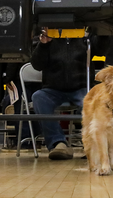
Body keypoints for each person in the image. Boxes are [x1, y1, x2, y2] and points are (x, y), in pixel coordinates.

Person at [30, 28, 89, 160]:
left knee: (93, 99)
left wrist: (101, 33)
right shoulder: (45, 31)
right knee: (39, 97)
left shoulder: (85, 33)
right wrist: (44, 44)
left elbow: (102, 50)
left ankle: (92, 145)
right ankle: (58, 143)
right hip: (53, 88)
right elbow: (37, 65)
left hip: (81, 86)